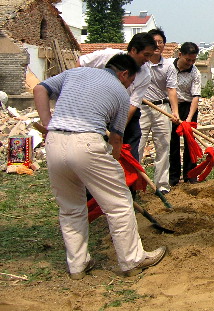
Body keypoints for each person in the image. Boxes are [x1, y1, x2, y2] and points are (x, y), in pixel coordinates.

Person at [34, 53, 166, 278]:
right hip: (87, 143)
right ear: (124, 74)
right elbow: (116, 137)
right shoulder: (120, 94)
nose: (129, 86)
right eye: (130, 81)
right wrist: (115, 160)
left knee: (70, 208)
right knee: (119, 204)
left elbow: (39, 89)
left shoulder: (74, 73)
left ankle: (78, 265)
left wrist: (48, 124)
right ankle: (132, 260)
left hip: (54, 142)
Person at [77, 33, 156, 161]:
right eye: (146, 55)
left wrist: (118, 130)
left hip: (125, 113)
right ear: (133, 50)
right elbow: (80, 63)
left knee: (129, 152)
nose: (148, 59)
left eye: (150, 56)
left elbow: (132, 105)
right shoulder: (108, 55)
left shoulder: (145, 74)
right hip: (98, 110)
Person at [137, 29, 179, 194]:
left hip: (161, 108)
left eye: (160, 42)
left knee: (163, 147)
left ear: (164, 45)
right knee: (138, 146)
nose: (157, 45)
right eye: (154, 42)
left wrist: (175, 112)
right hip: (141, 108)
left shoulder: (168, 66)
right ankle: (134, 185)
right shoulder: (141, 63)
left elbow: (171, 90)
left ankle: (162, 185)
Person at [170, 42, 202, 185]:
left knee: (190, 141)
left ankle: (190, 175)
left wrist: (189, 119)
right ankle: (173, 177)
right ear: (180, 55)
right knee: (173, 142)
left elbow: (195, 97)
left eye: (193, 60)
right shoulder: (169, 67)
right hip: (172, 107)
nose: (190, 63)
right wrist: (174, 112)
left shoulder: (195, 73)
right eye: (188, 60)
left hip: (189, 107)